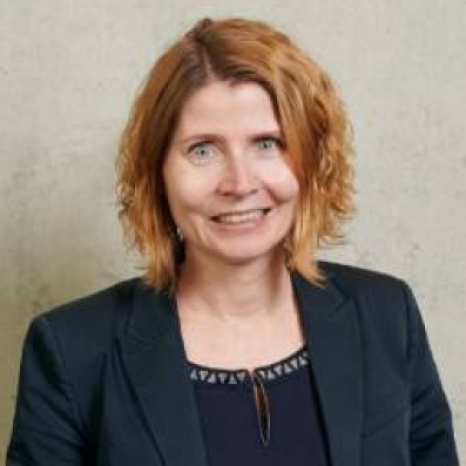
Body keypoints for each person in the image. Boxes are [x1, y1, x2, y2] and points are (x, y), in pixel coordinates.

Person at [7, 17, 459, 466]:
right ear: (157, 173)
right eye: (203, 149)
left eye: (267, 143)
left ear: (310, 158)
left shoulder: (387, 317)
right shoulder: (71, 350)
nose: (240, 183)